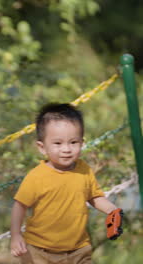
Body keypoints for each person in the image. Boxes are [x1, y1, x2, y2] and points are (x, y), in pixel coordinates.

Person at [10, 103, 121, 264]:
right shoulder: (37, 176)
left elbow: (94, 196)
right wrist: (15, 235)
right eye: (58, 143)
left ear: (82, 143)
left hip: (79, 250)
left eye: (73, 142)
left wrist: (112, 210)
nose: (66, 149)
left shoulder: (84, 170)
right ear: (42, 147)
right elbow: (19, 205)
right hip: (39, 252)